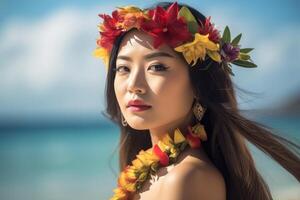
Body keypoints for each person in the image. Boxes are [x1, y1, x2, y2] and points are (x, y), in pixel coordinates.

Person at [94, 2, 300, 200]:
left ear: (198, 85)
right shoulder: (155, 173)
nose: (133, 84)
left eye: (157, 67)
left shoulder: (187, 178)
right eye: (123, 68)